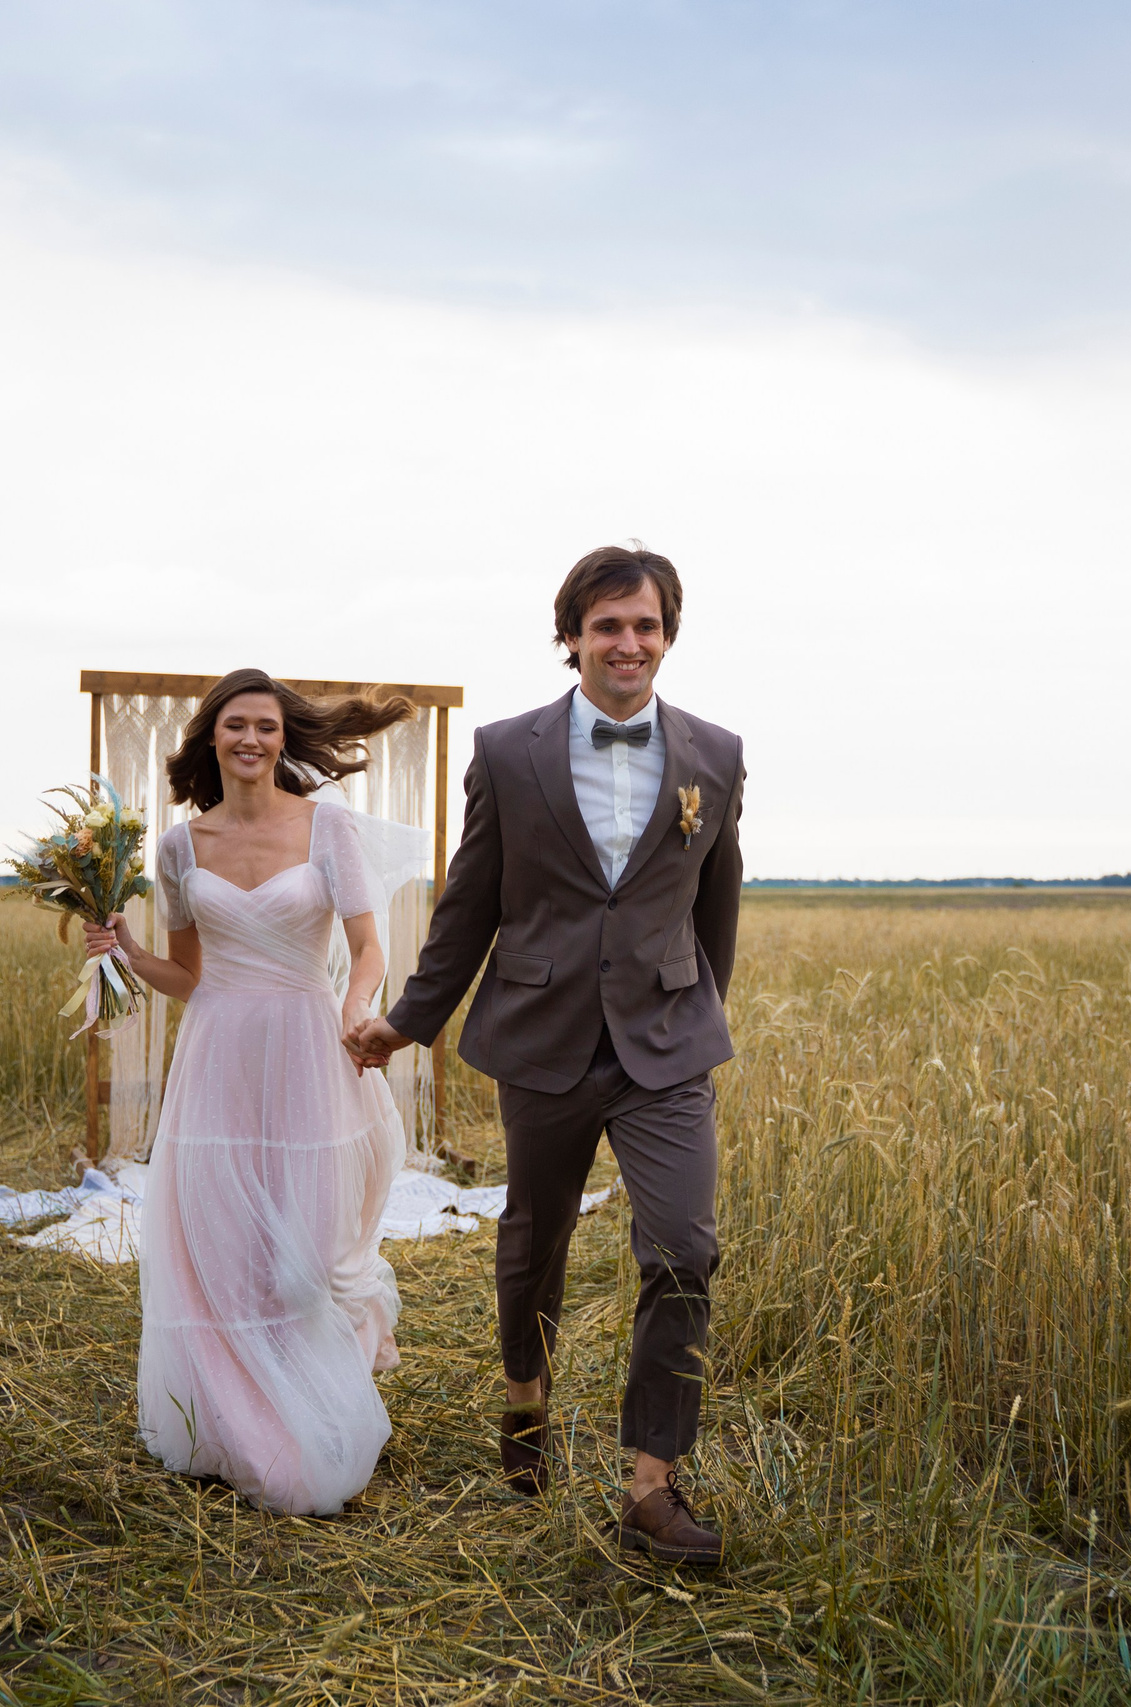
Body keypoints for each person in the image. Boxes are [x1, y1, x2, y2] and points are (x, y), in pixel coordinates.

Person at [347, 544, 745, 1566]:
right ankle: (525, 1396)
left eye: (645, 625)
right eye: (607, 625)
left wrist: (695, 1011)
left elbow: (716, 906)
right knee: (534, 1241)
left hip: (665, 1049)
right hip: (542, 1037)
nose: (627, 643)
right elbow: (470, 903)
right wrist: (409, 1020)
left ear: (668, 636)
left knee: (684, 1251)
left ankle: (651, 1487)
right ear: (571, 636)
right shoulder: (507, 752)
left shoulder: (715, 755)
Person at [84, 669, 416, 1516]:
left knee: (301, 1250)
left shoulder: (327, 827)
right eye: (237, 725)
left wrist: (356, 1002)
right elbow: (188, 974)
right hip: (219, 1053)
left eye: (267, 726)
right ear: (212, 737)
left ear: (282, 738)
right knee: (222, 1242)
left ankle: (310, 1393)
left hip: (307, 1044)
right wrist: (126, 950)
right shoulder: (179, 847)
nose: (252, 739)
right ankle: (231, 1421)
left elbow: (368, 948)